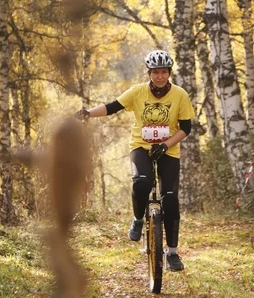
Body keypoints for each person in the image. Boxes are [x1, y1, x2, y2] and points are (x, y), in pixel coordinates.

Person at [75, 50, 194, 271]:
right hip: (141, 146)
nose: (160, 76)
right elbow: (112, 107)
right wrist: (87, 113)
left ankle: (173, 253)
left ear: (169, 73)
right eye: (155, 72)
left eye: (164, 72)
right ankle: (138, 219)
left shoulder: (180, 95)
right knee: (141, 182)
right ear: (149, 73)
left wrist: (165, 145)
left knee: (170, 198)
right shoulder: (137, 92)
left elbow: (186, 128)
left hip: (168, 150)